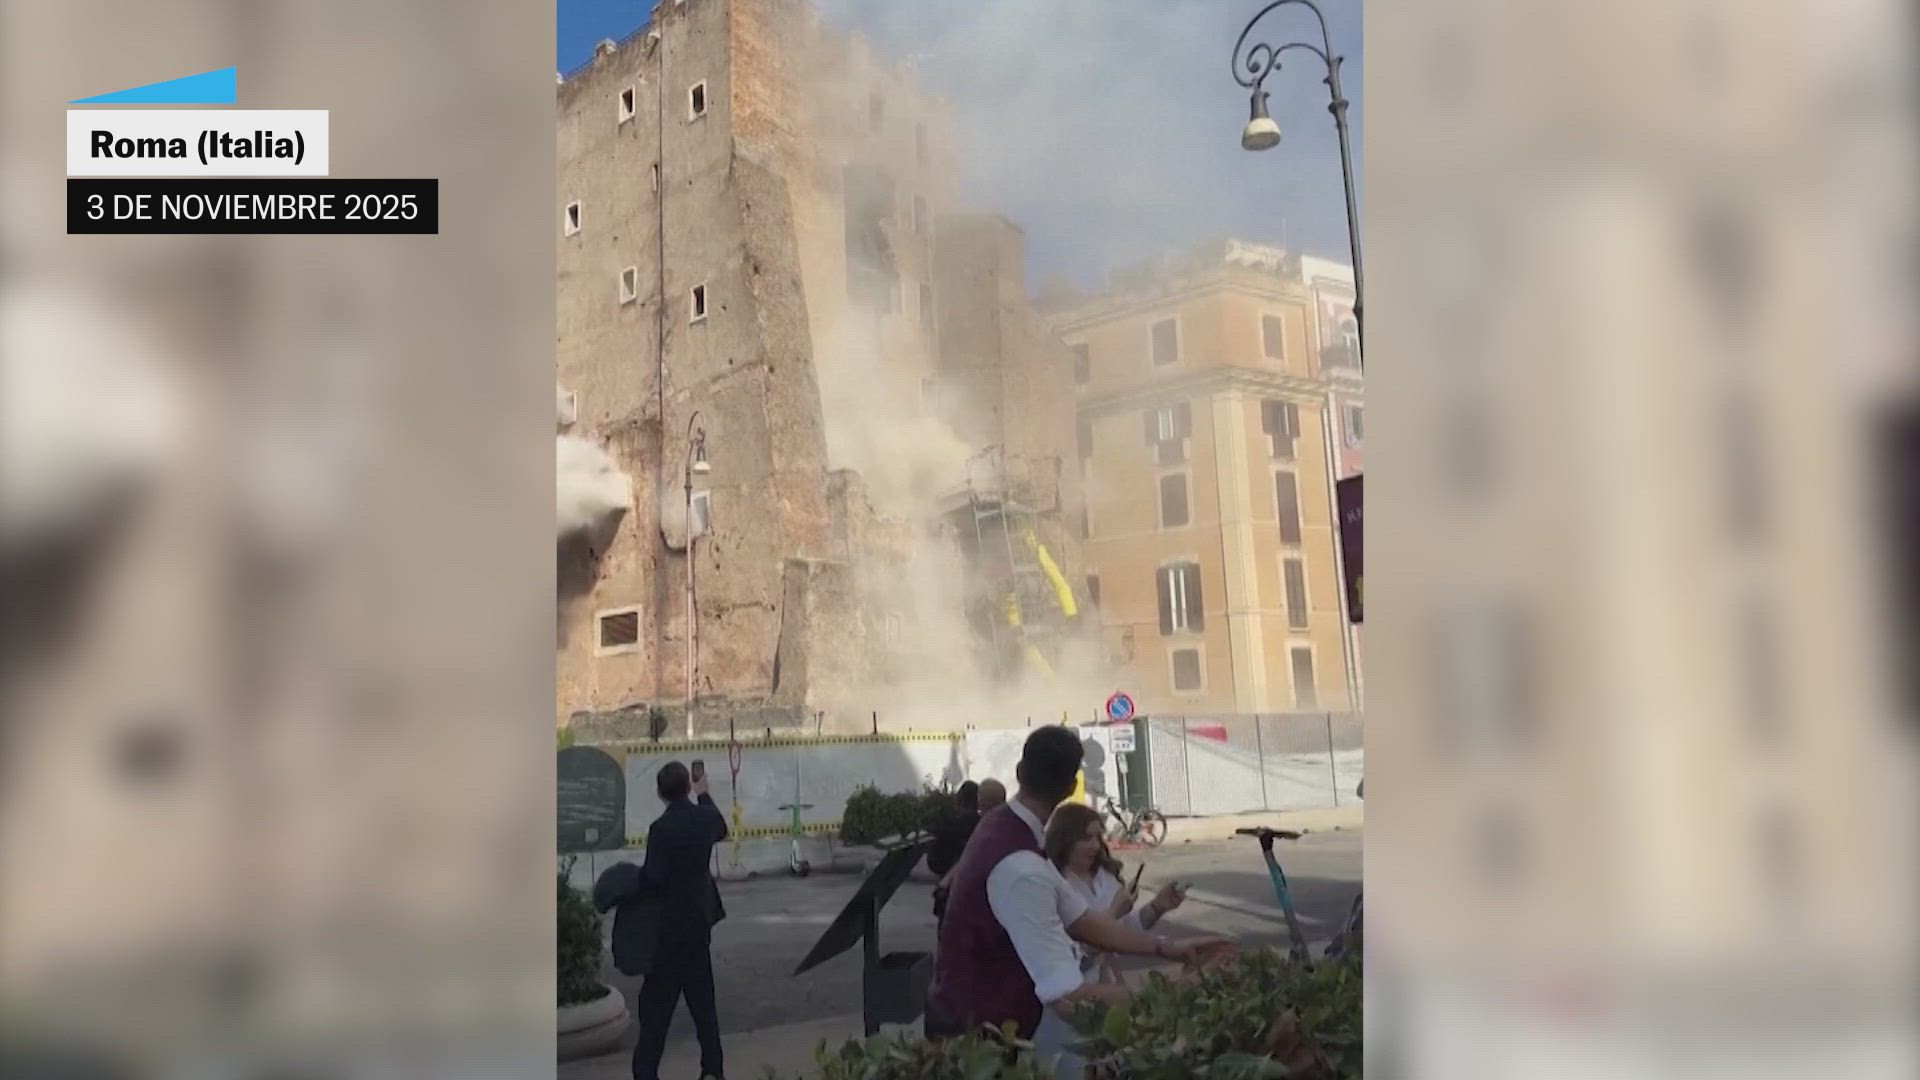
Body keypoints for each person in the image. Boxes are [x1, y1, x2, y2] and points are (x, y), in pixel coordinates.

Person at [925, 726, 1228, 1047]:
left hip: (971, 1020)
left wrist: (1167, 948)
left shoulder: (1004, 825)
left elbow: (1082, 920)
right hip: (976, 1040)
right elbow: (1069, 997)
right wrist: (1180, 990)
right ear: (1071, 787)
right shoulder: (1022, 868)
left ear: (1019, 772)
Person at [629, 760, 730, 1080]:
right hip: (698, 929)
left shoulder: (661, 830)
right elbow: (721, 827)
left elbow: (654, 879)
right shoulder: (703, 819)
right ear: (688, 786)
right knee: (705, 1010)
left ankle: (646, 1073)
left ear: (660, 793)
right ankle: (713, 1071)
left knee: (656, 1014)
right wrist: (705, 793)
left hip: (668, 935)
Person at [1043, 802, 1187, 986]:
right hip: (1076, 991)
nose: (1095, 846)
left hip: (1111, 985)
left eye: (1098, 837)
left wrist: (1157, 907)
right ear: (1065, 840)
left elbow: (1125, 930)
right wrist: (1114, 911)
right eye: (1086, 838)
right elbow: (1075, 957)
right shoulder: (1053, 885)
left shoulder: (1105, 877)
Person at [927, 782, 982, 923]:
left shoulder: (950, 827)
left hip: (949, 895)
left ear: (959, 800)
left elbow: (934, 862)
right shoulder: (985, 826)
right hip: (977, 898)